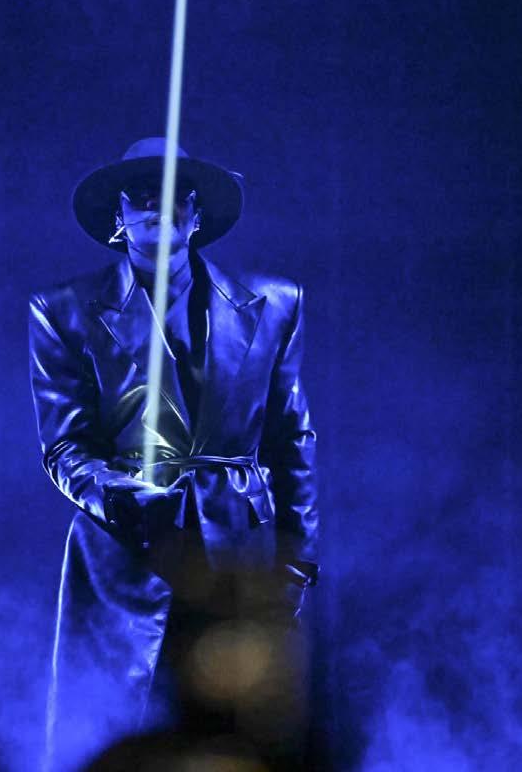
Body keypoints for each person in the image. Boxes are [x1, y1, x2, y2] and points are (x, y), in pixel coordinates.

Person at [28, 137, 319, 770]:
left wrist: (295, 563)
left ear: (197, 211)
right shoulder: (63, 310)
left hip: (239, 553)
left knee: (247, 732)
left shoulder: (276, 303)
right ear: (117, 215)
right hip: (126, 553)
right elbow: (64, 446)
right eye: (141, 196)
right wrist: (120, 495)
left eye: (174, 195)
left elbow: (291, 438)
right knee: (111, 729)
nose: (158, 208)